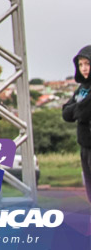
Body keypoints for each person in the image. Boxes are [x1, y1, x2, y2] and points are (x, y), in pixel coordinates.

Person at [61, 45, 91, 203]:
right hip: (84, 145)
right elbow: (66, 114)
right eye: (80, 65)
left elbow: (84, 112)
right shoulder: (82, 89)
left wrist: (76, 108)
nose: (84, 68)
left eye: (87, 63)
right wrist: (77, 108)